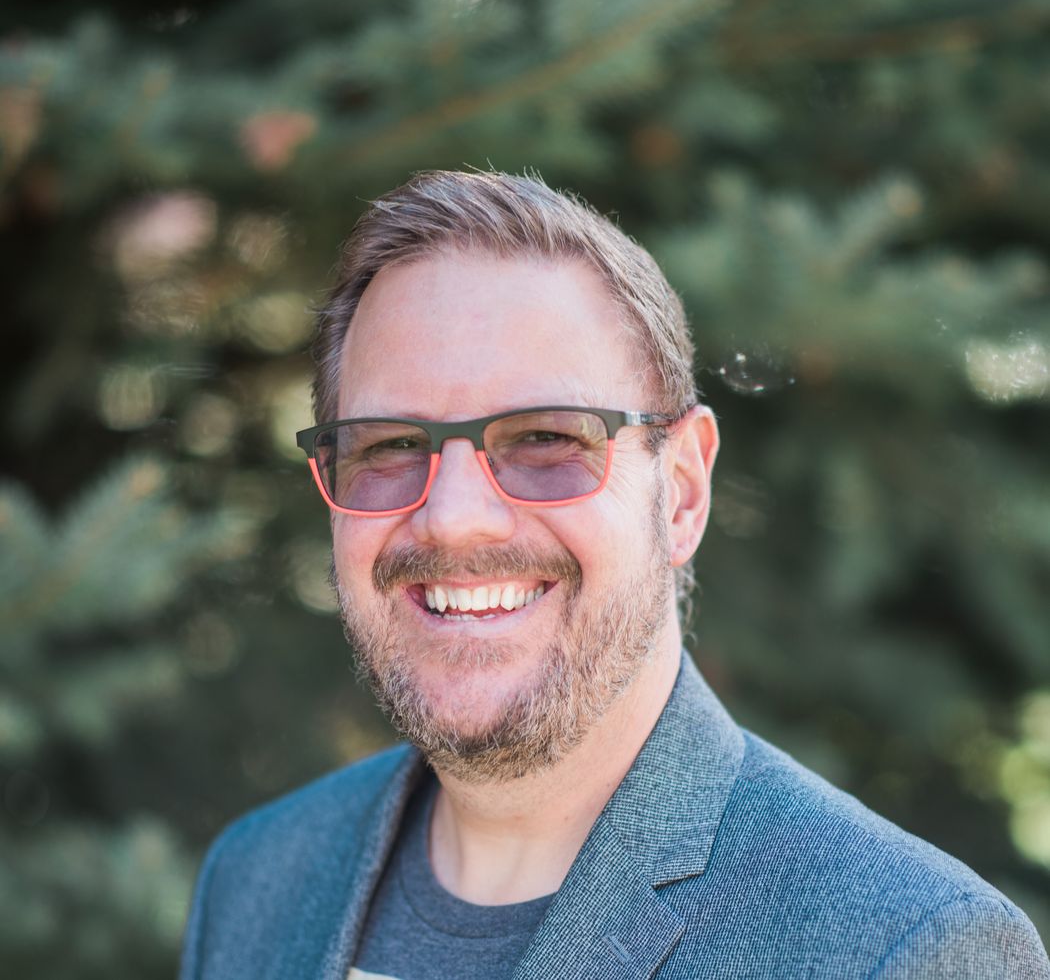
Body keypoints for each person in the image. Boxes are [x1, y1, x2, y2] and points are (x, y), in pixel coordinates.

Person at [179, 170, 1049, 980]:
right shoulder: (256, 881)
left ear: (681, 492)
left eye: (546, 439)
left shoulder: (904, 947)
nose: (453, 517)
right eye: (390, 446)